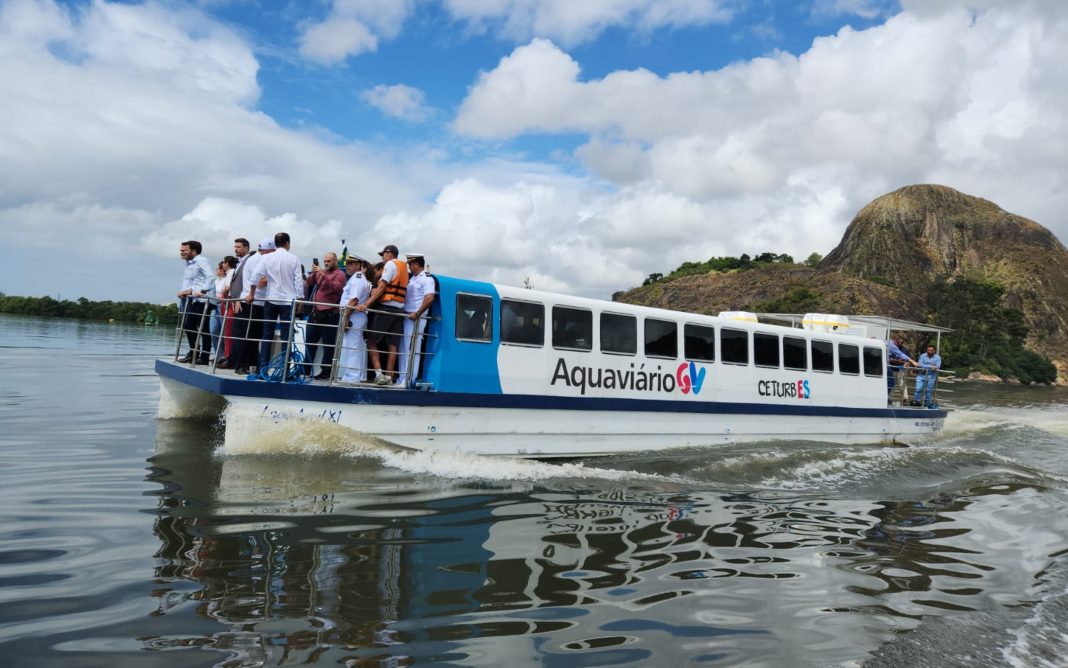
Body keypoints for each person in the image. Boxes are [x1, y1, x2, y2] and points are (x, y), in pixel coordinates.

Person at [250, 232, 303, 372]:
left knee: (267, 335)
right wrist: (300, 300)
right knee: (287, 336)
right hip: (288, 301)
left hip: (271, 299)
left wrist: (251, 294)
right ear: (287, 243)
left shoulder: (266, 258)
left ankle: (263, 368)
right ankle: (284, 369)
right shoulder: (294, 259)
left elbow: (255, 276)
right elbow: (298, 281)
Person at [356, 244, 408, 385]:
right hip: (399, 310)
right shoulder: (404, 267)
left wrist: (365, 304)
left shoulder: (390, 265)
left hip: (386, 308)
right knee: (392, 344)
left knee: (371, 340)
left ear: (389, 254)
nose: (382, 258)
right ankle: (389, 377)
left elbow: (382, 286)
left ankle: (378, 374)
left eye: (383, 255)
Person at [303, 252, 348, 379]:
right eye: (325, 261)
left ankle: (326, 372)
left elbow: (336, 288)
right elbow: (309, 283)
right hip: (315, 312)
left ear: (335, 261)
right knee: (310, 342)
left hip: (330, 314)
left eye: (329, 261)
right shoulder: (322, 271)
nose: (326, 263)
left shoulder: (340, 274)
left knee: (328, 345)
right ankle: (306, 369)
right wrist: (313, 273)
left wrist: (322, 274)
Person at [396, 253, 436, 387]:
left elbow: (429, 298)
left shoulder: (427, 278)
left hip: (416, 318)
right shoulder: (412, 278)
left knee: (412, 348)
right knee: (403, 349)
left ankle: (408, 380)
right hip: (407, 316)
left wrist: (417, 314)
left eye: (410, 264)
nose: (409, 267)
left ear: (416, 264)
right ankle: (402, 378)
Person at [235, 239, 272, 374]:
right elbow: (260, 282)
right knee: (249, 336)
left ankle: (250, 365)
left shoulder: (255, 259)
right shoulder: (258, 260)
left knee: (253, 337)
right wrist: (276, 278)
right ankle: (241, 365)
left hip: (257, 302)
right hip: (254, 302)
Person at [176, 240, 213, 364]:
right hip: (193, 299)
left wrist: (203, 290)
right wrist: (187, 292)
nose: (182, 252)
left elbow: (210, 276)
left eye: (185, 250)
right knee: (192, 326)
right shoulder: (190, 263)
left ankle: (203, 357)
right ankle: (194, 353)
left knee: (200, 328)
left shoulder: (201, 261)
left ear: (193, 251)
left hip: (202, 299)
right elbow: (196, 281)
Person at [218, 238, 252, 369]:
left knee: (236, 332)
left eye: (238, 247)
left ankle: (235, 361)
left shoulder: (248, 261)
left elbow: (247, 282)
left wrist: (239, 298)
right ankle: (232, 358)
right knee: (233, 332)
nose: (235, 249)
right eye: (235, 247)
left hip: (240, 302)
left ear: (246, 248)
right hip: (235, 302)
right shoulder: (240, 263)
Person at [338, 255, 372, 383]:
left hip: (353, 317)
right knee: (349, 347)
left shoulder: (357, 278)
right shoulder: (355, 278)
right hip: (352, 316)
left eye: (351, 263)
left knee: (352, 347)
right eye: (347, 263)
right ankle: (349, 375)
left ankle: (352, 377)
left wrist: (346, 318)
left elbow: (353, 300)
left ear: (358, 265)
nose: (347, 266)